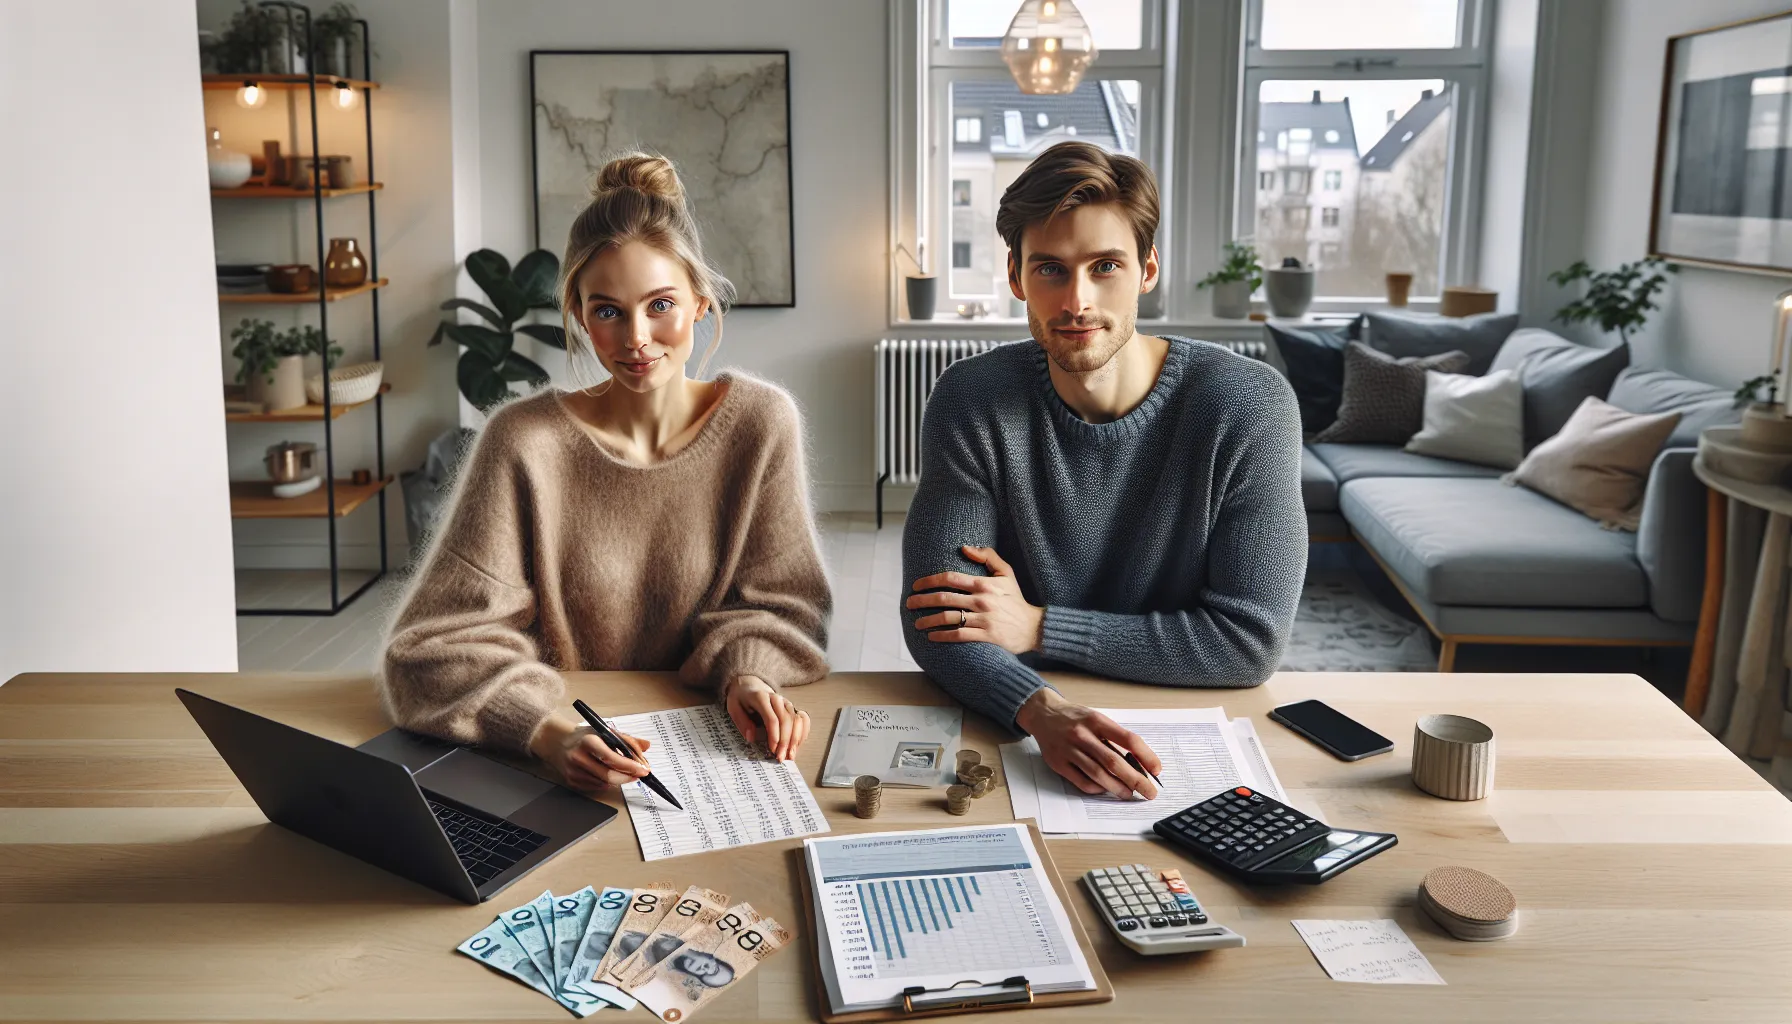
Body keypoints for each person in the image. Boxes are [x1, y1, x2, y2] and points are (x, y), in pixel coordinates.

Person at [381, 153, 831, 795]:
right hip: (570, 770)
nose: (637, 338)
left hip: (726, 760)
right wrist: (544, 729)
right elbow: (429, 648)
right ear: (579, 313)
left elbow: (782, 603)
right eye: (608, 311)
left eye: (661, 305)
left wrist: (750, 674)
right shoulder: (523, 441)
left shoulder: (762, 424)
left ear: (701, 302)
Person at [901, 141, 1305, 803]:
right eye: (1051, 270)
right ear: (1016, 277)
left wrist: (1038, 626)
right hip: (1020, 716)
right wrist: (1043, 710)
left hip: (1191, 728)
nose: (1077, 300)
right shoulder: (972, 398)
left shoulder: (1249, 406)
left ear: (1147, 270)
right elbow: (938, 619)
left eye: (1105, 266)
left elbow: (1249, 643)